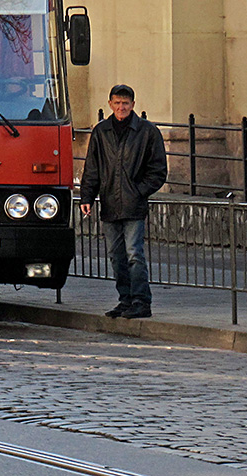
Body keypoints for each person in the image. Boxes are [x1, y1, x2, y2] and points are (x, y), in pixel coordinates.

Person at [79, 84, 168, 319]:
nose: (121, 107)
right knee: (116, 255)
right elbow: (92, 167)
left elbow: (158, 170)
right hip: (110, 203)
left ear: (133, 105)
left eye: (125, 104)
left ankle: (141, 300)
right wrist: (87, 196)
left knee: (134, 254)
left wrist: (138, 191)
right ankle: (125, 299)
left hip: (133, 204)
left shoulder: (147, 132)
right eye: (117, 103)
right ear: (110, 104)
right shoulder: (102, 131)